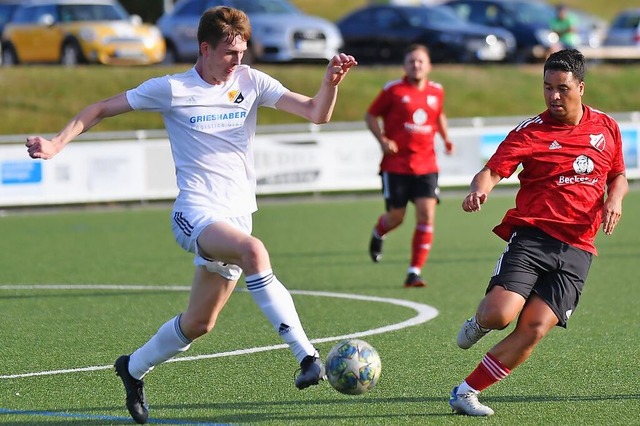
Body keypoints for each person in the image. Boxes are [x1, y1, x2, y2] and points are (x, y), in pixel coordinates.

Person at [25, 6, 357, 424]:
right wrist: (56, 143)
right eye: (230, 53)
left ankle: (132, 368)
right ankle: (306, 356)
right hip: (195, 212)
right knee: (255, 253)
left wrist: (330, 84)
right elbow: (101, 109)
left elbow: (316, 113)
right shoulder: (171, 88)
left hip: (237, 216)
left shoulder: (250, 81)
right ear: (205, 48)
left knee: (199, 323)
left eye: (242, 51)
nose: (238, 60)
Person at [449, 49, 627, 416]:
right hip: (533, 238)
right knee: (500, 316)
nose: (554, 97)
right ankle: (480, 322)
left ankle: (466, 392)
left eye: (562, 88)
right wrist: (478, 189)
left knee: (533, 329)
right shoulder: (531, 132)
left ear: (581, 86)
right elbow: (492, 171)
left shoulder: (606, 127)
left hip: (578, 248)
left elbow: (618, 175)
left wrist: (615, 200)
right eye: (547, 88)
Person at [365, 44, 454, 288]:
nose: (416, 65)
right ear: (405, 65)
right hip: (396, 166)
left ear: (429, 65)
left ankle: (414, 271)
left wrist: (446, 139)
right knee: (396, 217)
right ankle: (379, 232)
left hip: (427, 165)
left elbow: (439, 115)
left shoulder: (437, 91)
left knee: (427, 215)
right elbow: (370, 115)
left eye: (420, 61)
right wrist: (383, 140)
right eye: (411, 61)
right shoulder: (393, 90)